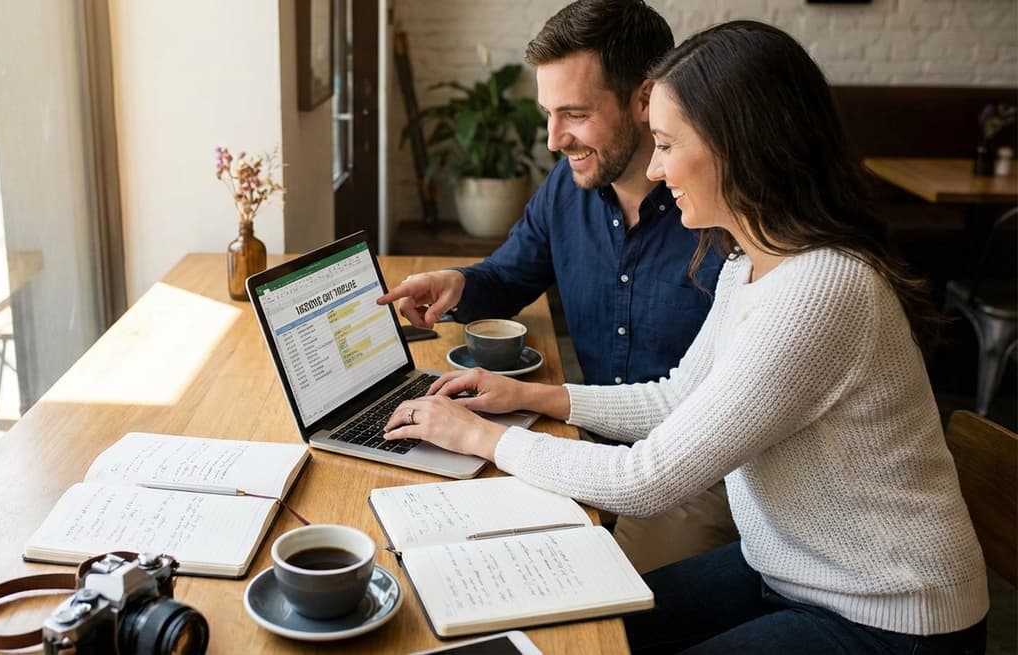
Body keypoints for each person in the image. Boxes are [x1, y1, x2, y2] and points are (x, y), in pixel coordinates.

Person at [384, 20, 989, 654]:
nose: (656, 165)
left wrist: (479, 436)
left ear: (740, 147)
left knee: (593, 640)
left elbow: (649, 480)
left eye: (668, 144)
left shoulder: (820, 290)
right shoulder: (747, 258)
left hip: (886, 614)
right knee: (577, 635)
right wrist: (531, 398)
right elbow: (678, 398)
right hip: (787, 568)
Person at [380, 0, 734, 573]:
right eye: (547, 113)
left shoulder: (720, 215)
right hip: (583, 442)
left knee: (595, 606)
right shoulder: (567, 188)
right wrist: (457, 283)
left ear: (645, 100)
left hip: (699, 475)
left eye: (574, 113)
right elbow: (509, 275)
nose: (552, 139)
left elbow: (695, 416)